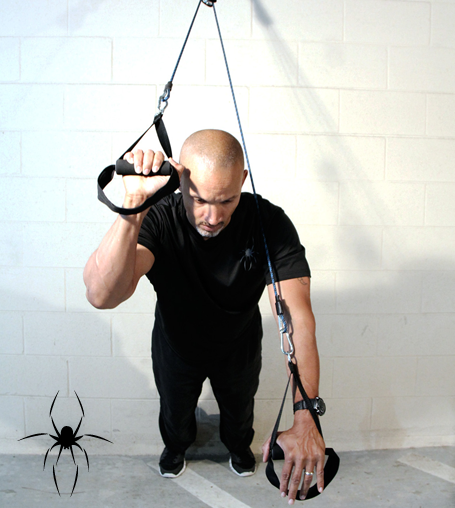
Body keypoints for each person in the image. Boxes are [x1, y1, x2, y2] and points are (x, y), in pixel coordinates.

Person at [83, 129, 325, 504]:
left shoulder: (268, 223)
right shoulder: (158, 217)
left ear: (242, 181)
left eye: (226, 200)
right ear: (180, 180)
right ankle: (177, 447)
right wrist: (134, 203)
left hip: (239, 345)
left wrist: (306, 411)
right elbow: (102, 295)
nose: (212, 217)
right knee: (175, 414)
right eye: (198, 199)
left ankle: (238, 447)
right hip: (176, 344)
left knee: (239, 414)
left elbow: (298, 319)